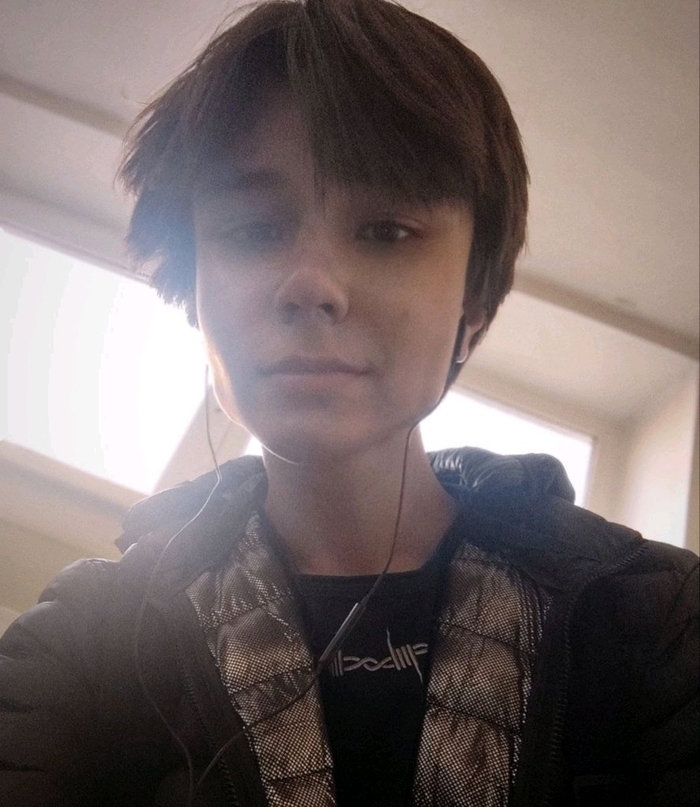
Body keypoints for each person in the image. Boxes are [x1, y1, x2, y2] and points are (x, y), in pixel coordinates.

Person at [0, 1, 697, 805]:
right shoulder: (88, 640)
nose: (311, 285)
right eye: (254, 229)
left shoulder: (654, 620)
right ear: (194, 287)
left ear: (473, 302)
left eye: (386, 231)